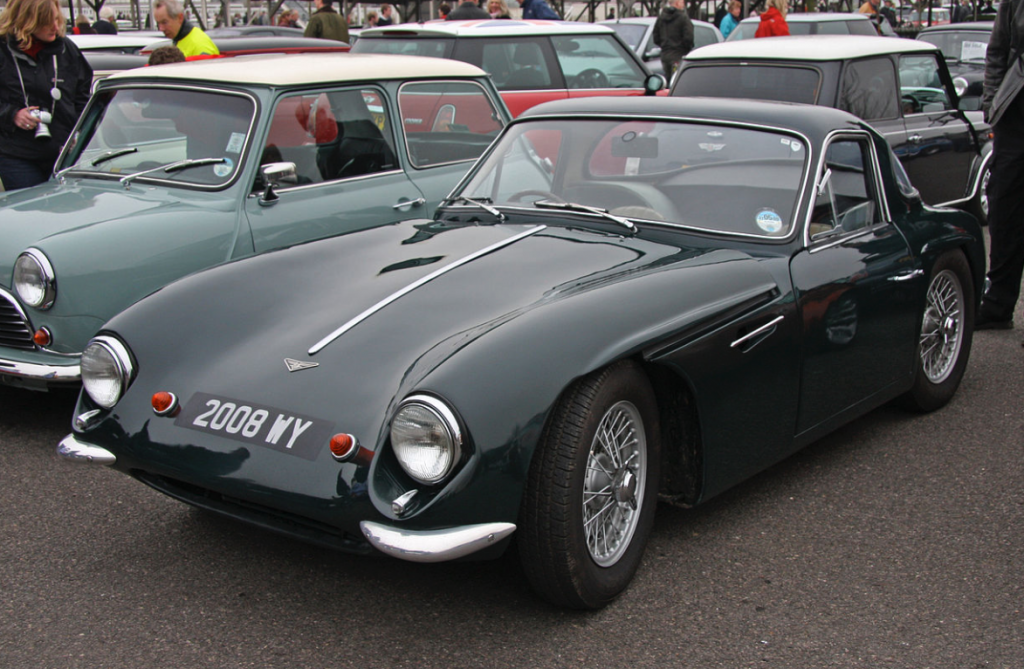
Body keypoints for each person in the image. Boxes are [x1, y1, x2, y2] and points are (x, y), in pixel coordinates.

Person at [0, 0, 92, 190]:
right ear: (27, 20)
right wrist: (12, 114)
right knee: (31, 211)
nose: (55, 27)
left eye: (57, 20)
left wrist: (78, 132)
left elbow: (83, 96)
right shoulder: (4, 50)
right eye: (46, 22)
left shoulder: (67, 50)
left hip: (63, 152)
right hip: (16, 153)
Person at [979, 0, 1024, 333]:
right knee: (1004, 207)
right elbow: (997, 51)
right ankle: (997, 304)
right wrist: (991, 101)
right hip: (1015, 117)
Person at [153, 0, 219, 57]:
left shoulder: (200, 46)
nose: (161, 29)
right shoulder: (180, 39)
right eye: (158, 23)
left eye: (164, 22)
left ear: (180, 18)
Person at [653, 0, 693, 81]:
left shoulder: (661, 18)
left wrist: (664, 45)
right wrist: (687, 49)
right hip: (678, 55)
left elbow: (656, 37)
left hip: (665, 55)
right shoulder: (683, 18)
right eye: (682, 2)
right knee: (677, 80)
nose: (684, 4)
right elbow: (688, 38)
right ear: (677, 3)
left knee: (667, 80)